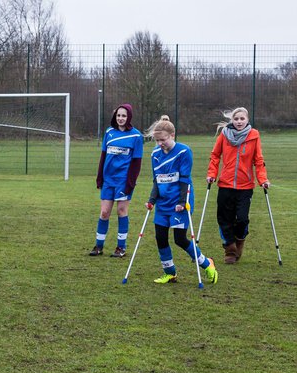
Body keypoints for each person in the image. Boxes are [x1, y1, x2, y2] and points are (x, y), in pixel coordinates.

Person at [144, 115, 218, 285]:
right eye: (157, 141)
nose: (160, 143)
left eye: (162, 140)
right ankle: (170, 273)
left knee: (179, 239)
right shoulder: (155, 154)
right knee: (160, 237)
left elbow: (184, 179)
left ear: (172, 135)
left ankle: (207, 264)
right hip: (163, 202)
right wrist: (151, 200)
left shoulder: (184, 152)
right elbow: (157, 180)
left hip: (180, 201)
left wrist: (181, 202)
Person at [206, 106, 270, 264]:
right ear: (232, 120)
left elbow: (258, 160)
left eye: (242, 119)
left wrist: (262, 180)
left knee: (241, 219)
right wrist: (212, 174)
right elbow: (215, 156)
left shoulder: (254, 136)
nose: (239, 121)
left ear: (247, 120)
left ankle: (239, 241)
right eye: (236, 119)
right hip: (225, 185)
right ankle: (230, 249)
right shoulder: (224, 135)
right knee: (224, 218)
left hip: (245, 186)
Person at [89, 103, 143, 257]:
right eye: (118, 115)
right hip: (108, 180)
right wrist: (100, 178)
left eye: (124, 116)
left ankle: (121, 248)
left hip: (123, 180)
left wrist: (130, 183)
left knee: (121, 211)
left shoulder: (136, 136)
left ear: (129, 117)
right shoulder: (109, 132)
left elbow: (136, 163)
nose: (121, 118)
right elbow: (103, 157)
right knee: (105, 212)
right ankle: (99, 246)